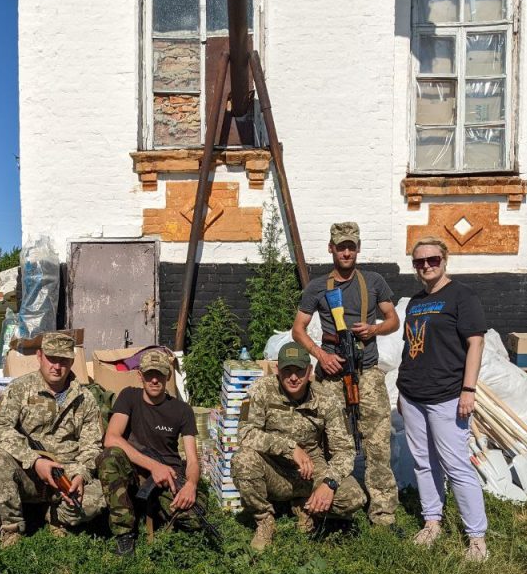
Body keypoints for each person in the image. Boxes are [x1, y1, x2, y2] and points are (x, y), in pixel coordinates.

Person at [291, 221, 401, 528]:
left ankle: (383, 514)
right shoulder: (317, 287)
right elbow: (297, 330)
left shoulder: (374, 281)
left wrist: (374, 328)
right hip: (332, 371)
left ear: (358, 248)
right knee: (327, 439)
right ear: (331, 249)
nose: (347, 252)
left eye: (351, 246)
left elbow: (392, 319)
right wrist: (322, 356)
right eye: (341, 246)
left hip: (366, 372)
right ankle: (324, 504)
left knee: (377, 443)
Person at [396, 238, 489, 561]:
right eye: (419, 262)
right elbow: (411, 347)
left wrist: (469, 390)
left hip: (447, 395)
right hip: (412, 395)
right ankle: (432, 521)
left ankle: (476, 537)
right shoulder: (415, 302)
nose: (426, 266)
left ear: (445, 259)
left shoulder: (462, 296)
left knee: (456, 464)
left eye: (432, 259)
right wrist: (401, 391)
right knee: (424, 462)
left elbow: (475, 344)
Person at [232, 342, 365, 551]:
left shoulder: (327, 399)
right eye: (287, 370)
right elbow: (246, 434)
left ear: (309, 371)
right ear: (277, 370)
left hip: (312, 472)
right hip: (274, 471)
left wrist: (329, 483)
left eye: (299, 371)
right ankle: (265, 520)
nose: (293, 377)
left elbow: (345, 450)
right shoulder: (260, 390)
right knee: (243, 460)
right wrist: (289, 448)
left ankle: (305, 507)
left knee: (354, 497)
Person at [0, 332, 105, 548]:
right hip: (27, 472)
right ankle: (10, 529)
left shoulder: (85, 398)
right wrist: (34, 460)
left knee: (98, 500)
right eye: (51, 358)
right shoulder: (20, 388)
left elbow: (92, 445)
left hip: (65, 477)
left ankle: (54, 515)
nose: (57, 366)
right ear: (39, 356)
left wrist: (80, 476)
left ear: (72, 361)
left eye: (63, 360)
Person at [97, 349, 207, 557]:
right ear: (140, 375)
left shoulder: (183, 410)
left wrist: (191, 485)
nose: (154, 380)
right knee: (109, 457)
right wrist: (154, 466)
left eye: (160, 374)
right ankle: (124, 533)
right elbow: (111, 438)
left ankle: (155, 507)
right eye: (149, 374)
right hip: (134, 469)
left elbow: (192, 460)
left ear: (168, 375)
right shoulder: (129, 396)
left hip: (169, 476)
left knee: (195, 518)